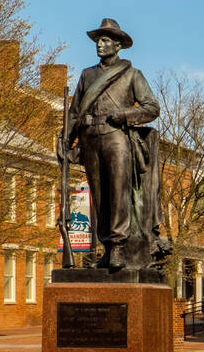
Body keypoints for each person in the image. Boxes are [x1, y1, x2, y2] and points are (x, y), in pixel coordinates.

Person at [59, 18, 161, 272]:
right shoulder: (87, 75)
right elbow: (73, 113)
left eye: (105, 40)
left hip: (117, 137)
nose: (100, 45)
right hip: (90, 139)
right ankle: (106, 248)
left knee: (118, 194)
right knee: (100, 196)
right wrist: (65, 141)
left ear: (118, 45)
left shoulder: (131, 75)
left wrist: (126, 115)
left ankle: (117, 247)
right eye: (98, 40)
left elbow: (152, 108)